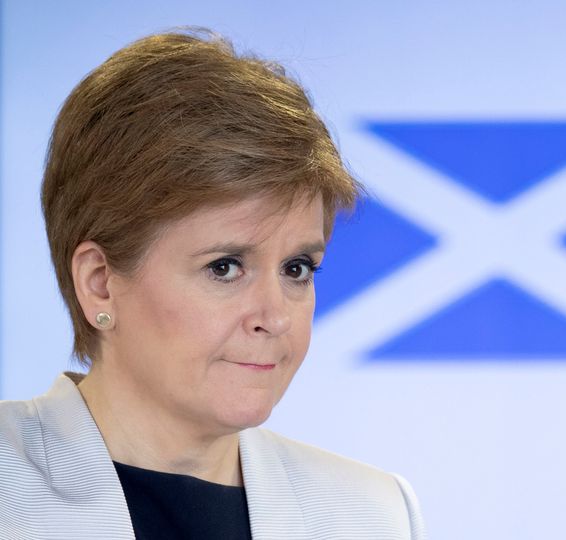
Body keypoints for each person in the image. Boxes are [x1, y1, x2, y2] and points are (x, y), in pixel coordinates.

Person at [0, 29, 426, 539]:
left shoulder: (369, 514)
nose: (276, 316)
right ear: (99, 285)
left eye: (297, 268)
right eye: (225, 267)